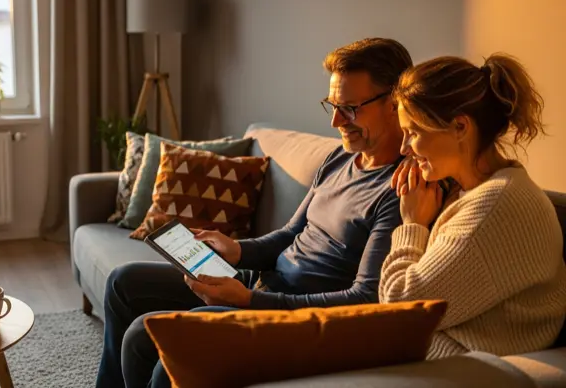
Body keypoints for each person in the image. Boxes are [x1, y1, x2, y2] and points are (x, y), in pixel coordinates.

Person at [95, 37, 413, 388]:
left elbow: (364, 300)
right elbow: (292, 233)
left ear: (395, 103)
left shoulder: (399, 191)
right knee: (123, 283)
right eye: (332, 105)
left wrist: (249, 300)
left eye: (350, 108)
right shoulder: (341, 158)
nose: (337, 120)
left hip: (287, 316)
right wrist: (238, 250)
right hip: (257, 283)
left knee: (148, 339)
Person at [381, 53, 566, 359]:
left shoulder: (493, 207)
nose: (404, 149)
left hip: (463, 366)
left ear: (460, 127)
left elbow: (401, 310)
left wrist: (412, 225)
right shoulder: (473, 191)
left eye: (413, 133)